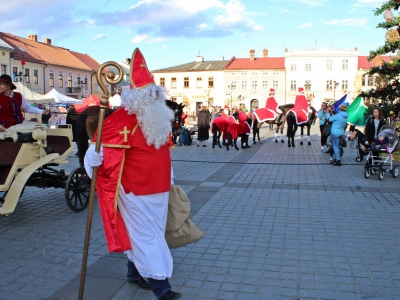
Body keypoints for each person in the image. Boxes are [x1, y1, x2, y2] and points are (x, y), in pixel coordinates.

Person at [84, 48, 182, 300]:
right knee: (148, 238)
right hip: (134, 191)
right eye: (149, 96)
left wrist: (170, 178)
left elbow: (164, 154)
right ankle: (162, 289)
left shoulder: (160, 120)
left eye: (155, 95)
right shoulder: (119, 121)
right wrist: (91, 158)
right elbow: (98, 146)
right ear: (136, 97)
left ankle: (133, 273)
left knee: (149, 235)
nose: (154, 100)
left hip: (159, 190)